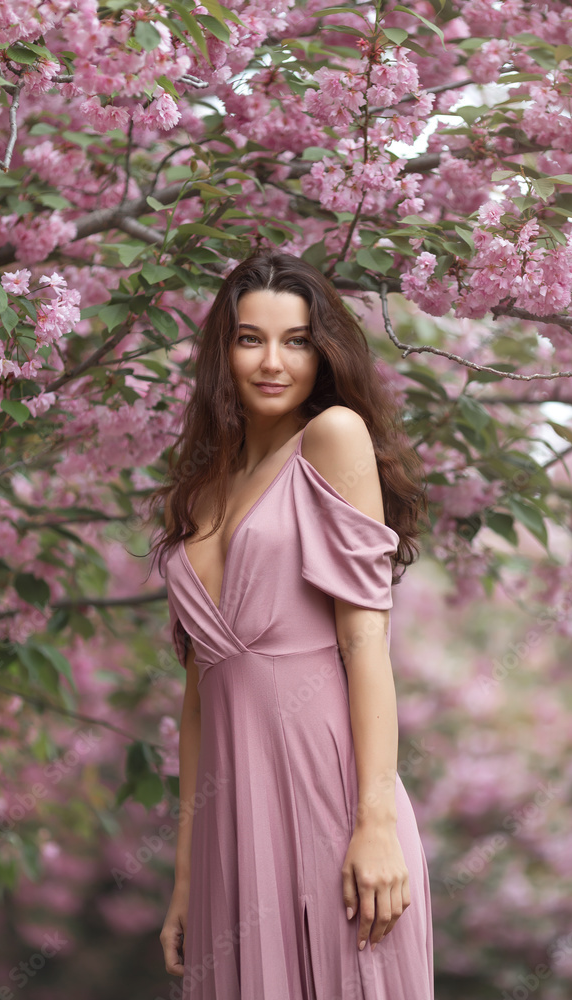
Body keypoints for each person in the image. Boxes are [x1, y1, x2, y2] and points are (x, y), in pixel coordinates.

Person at [148, 250, 433, 999]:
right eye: (250, 339)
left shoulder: (331, 436)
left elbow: (364, 641)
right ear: (223, 351)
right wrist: (185, 875)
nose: (272, 361)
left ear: (323, 350)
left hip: (325, 794)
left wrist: (373, 823)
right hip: (226, 824)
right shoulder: (204, 483)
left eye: (296, 340)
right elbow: (198, 699)